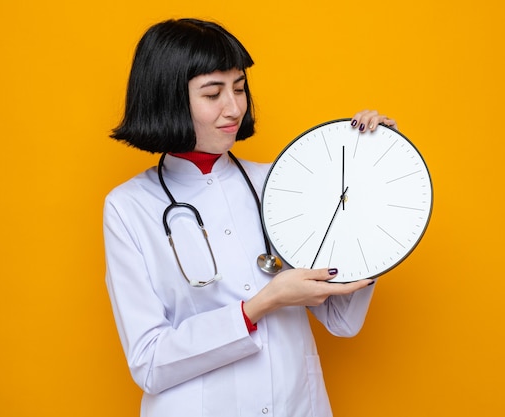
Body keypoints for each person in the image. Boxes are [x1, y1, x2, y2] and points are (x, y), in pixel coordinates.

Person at [104, 18, 398, 417]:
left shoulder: (282, 182)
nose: (235, 108)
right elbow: (150, 362)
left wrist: (375, 179)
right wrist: (258, 307)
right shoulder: (128, 208)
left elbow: (341, 320)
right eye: (213, 93)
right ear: (168, 98)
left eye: (240, 88)